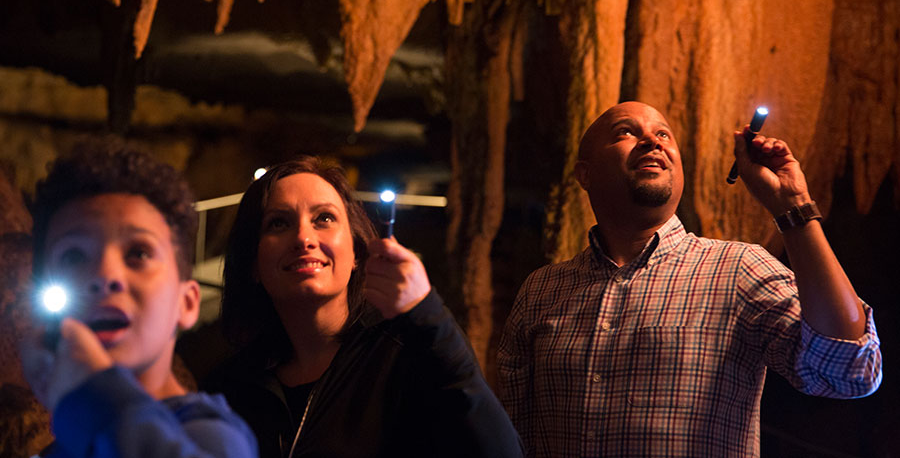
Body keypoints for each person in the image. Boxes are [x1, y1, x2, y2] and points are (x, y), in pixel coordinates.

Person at [498, 101, 882, 457]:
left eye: (663, 134)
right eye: (625, 132)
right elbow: (513, 435)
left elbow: (848, 369)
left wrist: (793, 207)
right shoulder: (542, 290)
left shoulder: (738, 269)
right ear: (584, 173)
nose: (652, 140)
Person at [207, 156, 522, 458]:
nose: (304, 238)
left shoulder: (407, 358)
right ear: (253, 264)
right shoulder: (230, 389)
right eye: (278, 223)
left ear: (357, 253)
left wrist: (432, 320)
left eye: (324, 219)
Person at [20, 138, 258, 458]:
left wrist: (97, 394)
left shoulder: (215, 437)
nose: (105, 275)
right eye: (74, 256)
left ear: (186, 303)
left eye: (139, 252)